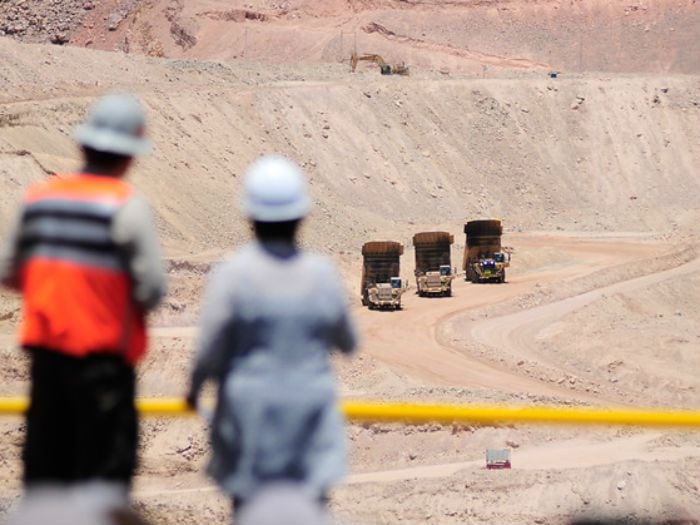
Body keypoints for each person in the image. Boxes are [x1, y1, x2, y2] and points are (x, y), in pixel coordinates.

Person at [0, 94, 167, 496]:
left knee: (46, 481)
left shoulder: (38, 199)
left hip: (46, 366)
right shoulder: (127, 208)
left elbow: (8, 272)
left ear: (82, 144)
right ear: (130, 157)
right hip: (103, 370)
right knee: (102, 489)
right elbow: (152, 289)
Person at [186, 154, 358, 516]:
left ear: (250, 217)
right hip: (309, 420)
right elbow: (348, 342)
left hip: (249, 421)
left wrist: (194, 388)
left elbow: (209, 348)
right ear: (302, 216)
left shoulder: (232, 276)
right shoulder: (321, 274)